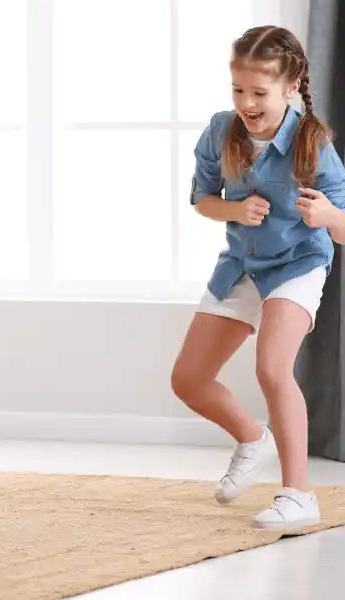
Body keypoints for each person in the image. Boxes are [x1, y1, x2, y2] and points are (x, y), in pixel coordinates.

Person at [171, 25, 345, 530]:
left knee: (271, 369)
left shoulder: (314, 143)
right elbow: (202, 200)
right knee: (188, 379)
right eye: (238, 90)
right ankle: (252, 437)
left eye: (259, 92)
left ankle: (299, 495)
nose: (247, 102)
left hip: (298, 265)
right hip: (242, 264)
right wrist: (235, 208)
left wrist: (329, 217)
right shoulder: (220, 131)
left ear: (290, 87)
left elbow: (343, 227)